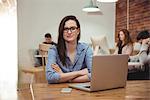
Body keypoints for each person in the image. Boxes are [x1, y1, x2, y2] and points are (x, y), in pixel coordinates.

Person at [46, 15, 93, 84]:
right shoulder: (53, 50)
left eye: (72, 28)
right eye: (65, 29)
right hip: (59, 91)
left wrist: (64, 77)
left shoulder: (86, 49)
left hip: (82, 92)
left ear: (78, 31)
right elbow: (50, 77)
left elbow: (94, 75)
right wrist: (79, 73)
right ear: (61, 32)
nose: (69, 32)